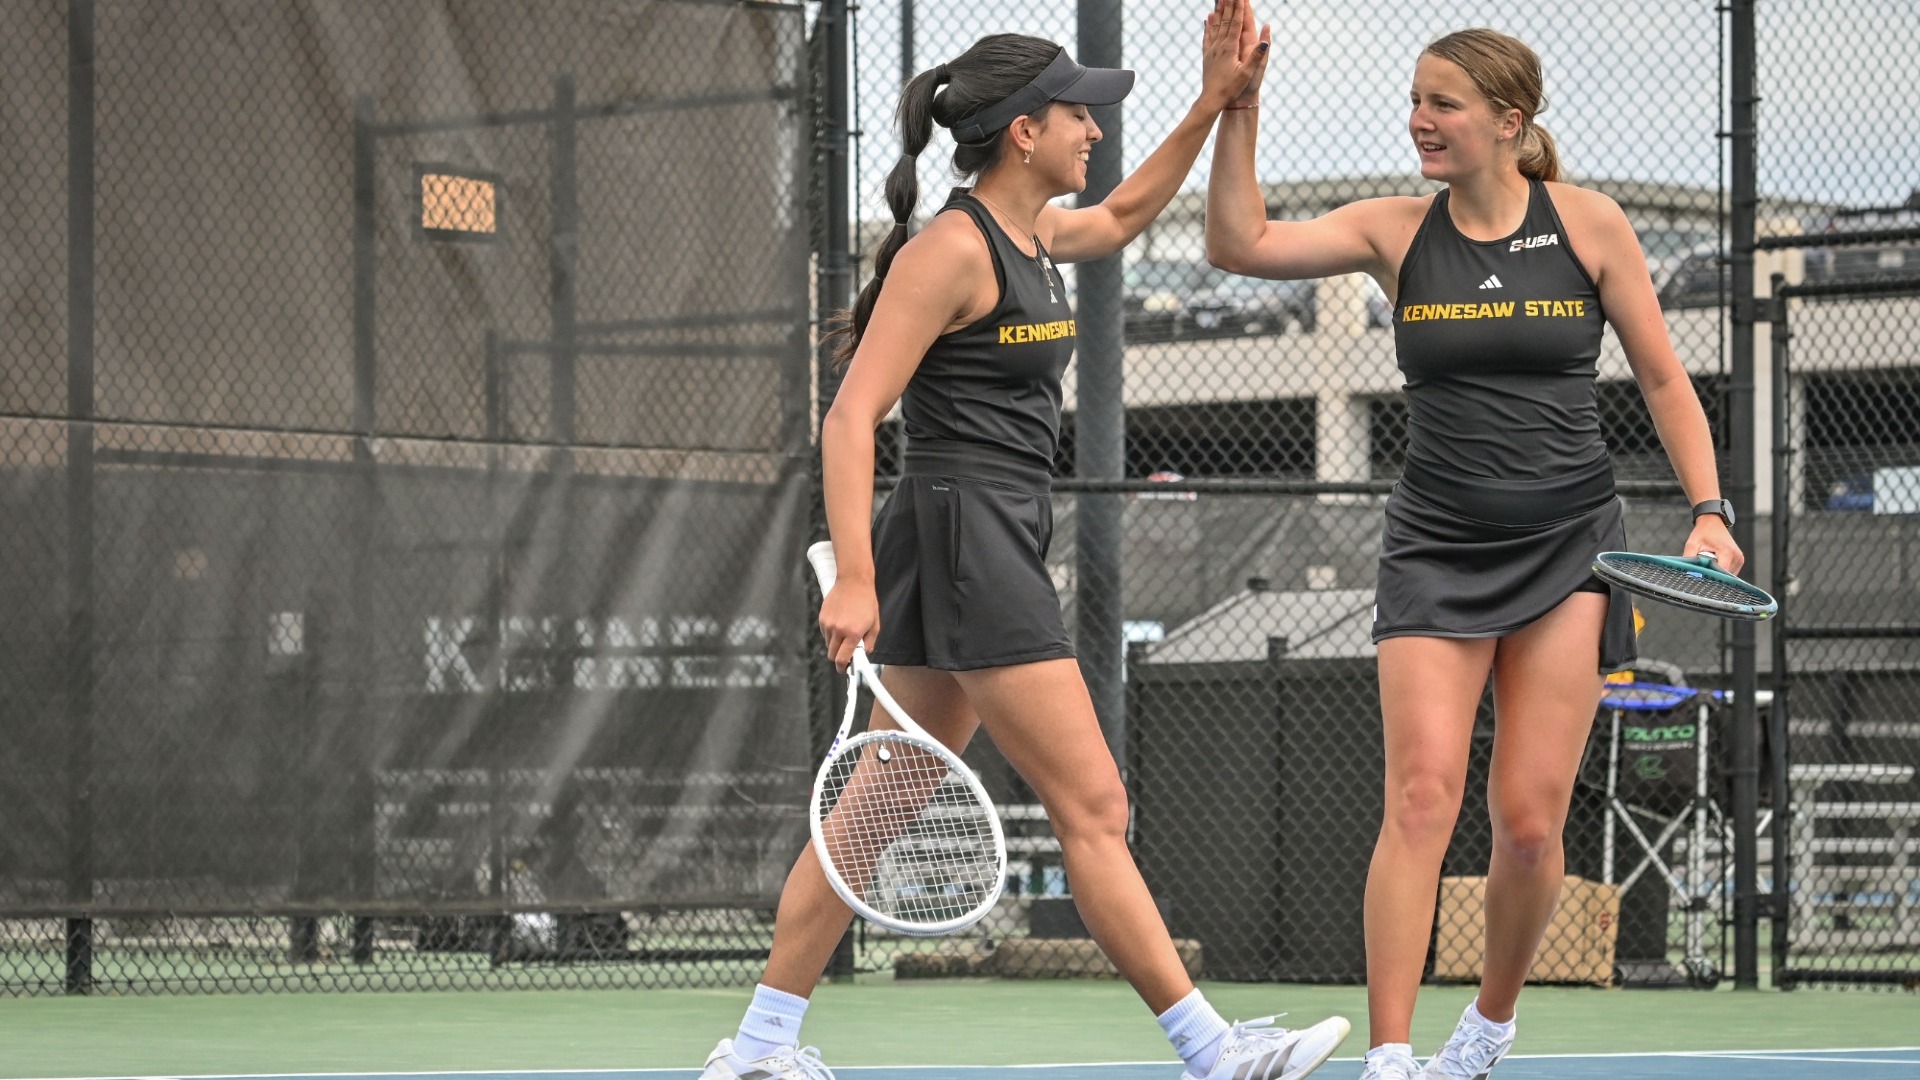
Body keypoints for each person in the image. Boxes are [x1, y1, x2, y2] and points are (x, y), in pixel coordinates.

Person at [701, 4, 1350, 1079]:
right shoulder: (948, 252)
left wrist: (1215, 102)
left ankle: (759, 1046)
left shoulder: (1035, 232)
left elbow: (1132, 209)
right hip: (966, 541)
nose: (1094, 133)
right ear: (1022, 133)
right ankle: (1212, 1049)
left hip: (979, 533)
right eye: (1078, 116)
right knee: (1095, 804)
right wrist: (853, 578)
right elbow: (852, 416)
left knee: (882, 798)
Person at [1204, 24, 1742, 1080]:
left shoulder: (1588, 226)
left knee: (1533, 826)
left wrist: (1709, 510)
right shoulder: (1395, 231)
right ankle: (1393, 1056)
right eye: (1415, 99)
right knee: (1420, 798)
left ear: (1510, 120)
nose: (1420, 119)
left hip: (1572, 553)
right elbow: (1238, 245)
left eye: (1443, 103)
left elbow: (1667, 380)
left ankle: (1487, 1028)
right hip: (1436, 550)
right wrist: (1238, 104)